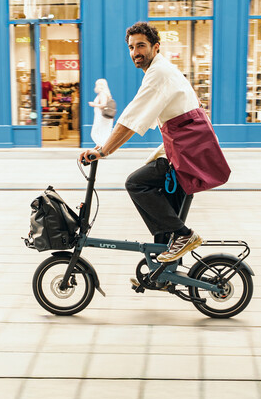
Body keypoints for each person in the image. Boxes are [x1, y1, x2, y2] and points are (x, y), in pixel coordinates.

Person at [78, 22, 203, 264]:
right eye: (131, 47)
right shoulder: (161, 70)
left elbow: (130, 120)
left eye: (141, 46)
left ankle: (185, 236)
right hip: (185, 149)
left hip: (186, 152)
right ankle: (164, 272)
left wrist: (102, 151)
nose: (136, 52)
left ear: (156, 47)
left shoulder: (159, 74)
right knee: (164, 220)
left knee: (137, 183)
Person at [89, 78, 114, 147]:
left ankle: (102, 148)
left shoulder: (102, 94)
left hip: (101, 116)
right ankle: (102, 149)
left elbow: (103, 105)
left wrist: (93, 104)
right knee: (103, 133)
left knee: (95, 133)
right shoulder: (106, 94)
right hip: (104, 116)